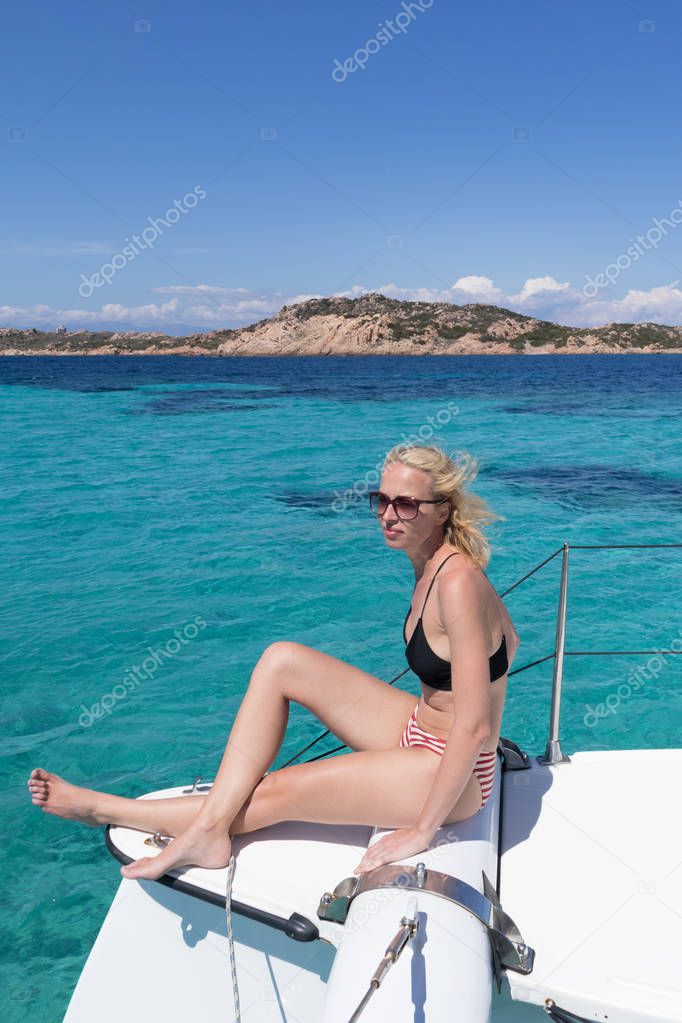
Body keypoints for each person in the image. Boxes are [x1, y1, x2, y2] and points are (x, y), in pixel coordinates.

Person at [27, 442, 520, 878]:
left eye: (406, 504)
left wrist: (420, 831)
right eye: (382, 500)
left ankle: (107, 808)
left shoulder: (455, 581)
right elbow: (510, 639)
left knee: (276, 793)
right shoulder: (439, 567)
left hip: (455, 775)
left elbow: (474, 726)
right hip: (419, 731)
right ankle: (212, 819)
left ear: (441, 510)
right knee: (281, 659)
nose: (389, 515)